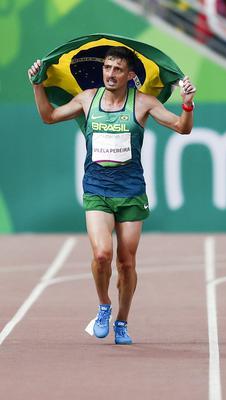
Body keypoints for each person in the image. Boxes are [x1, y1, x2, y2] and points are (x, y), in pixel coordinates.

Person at [27, 46, 196, 345]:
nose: (111, 73)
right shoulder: (88, 99)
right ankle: (104, 305)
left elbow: (182, 129)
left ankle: (122, 321)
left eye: (118, 69)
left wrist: (187, 104)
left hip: (131, 192)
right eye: (107, 67)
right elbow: (49, 116)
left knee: (126, 263)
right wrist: (38, 85)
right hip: (97, 190)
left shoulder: (143, 102)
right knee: (102, 254)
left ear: (130, 75)